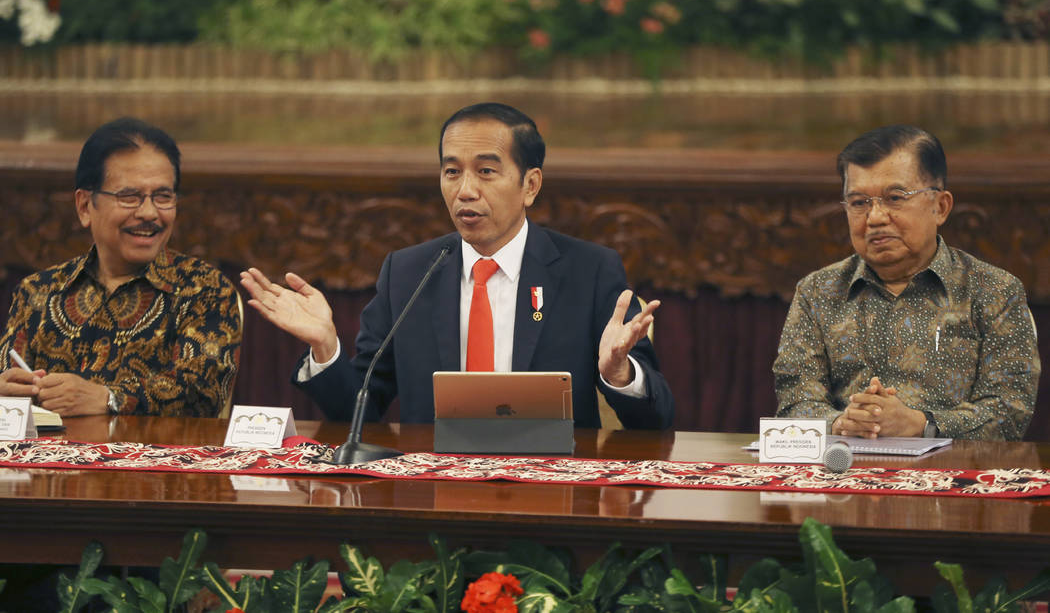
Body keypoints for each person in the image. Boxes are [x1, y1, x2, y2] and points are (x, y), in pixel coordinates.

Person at [242, 102, 674, 429]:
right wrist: (326, 348)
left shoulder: (589, 271)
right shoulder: (408, 273)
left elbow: (657, 419)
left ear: (530, 185)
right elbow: (360, 409)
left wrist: (620, 374)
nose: (465, 191)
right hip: (432, 498)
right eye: (452, 172)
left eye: (486, 171)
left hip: (553, 496)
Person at [774, 124, 1039, 440]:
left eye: (894, 198)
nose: (875, 218)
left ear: (940, 207)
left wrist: (921, 424)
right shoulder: (817, 292)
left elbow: (1009, 410)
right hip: (844, 473)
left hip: (953, 478)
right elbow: (794, 401)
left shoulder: (993, 290)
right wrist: (842, 423)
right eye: (859, 202)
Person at [0, 117, 242, 417]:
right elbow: (9, 385)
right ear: (85, 207)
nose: (149, 212)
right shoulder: (38, 291)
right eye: (130, 197)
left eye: (163, 197)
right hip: (45, 463)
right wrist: (7, 393)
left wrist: (108, 398)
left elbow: (203, 394)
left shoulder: (204, 288)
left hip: (157, 462)